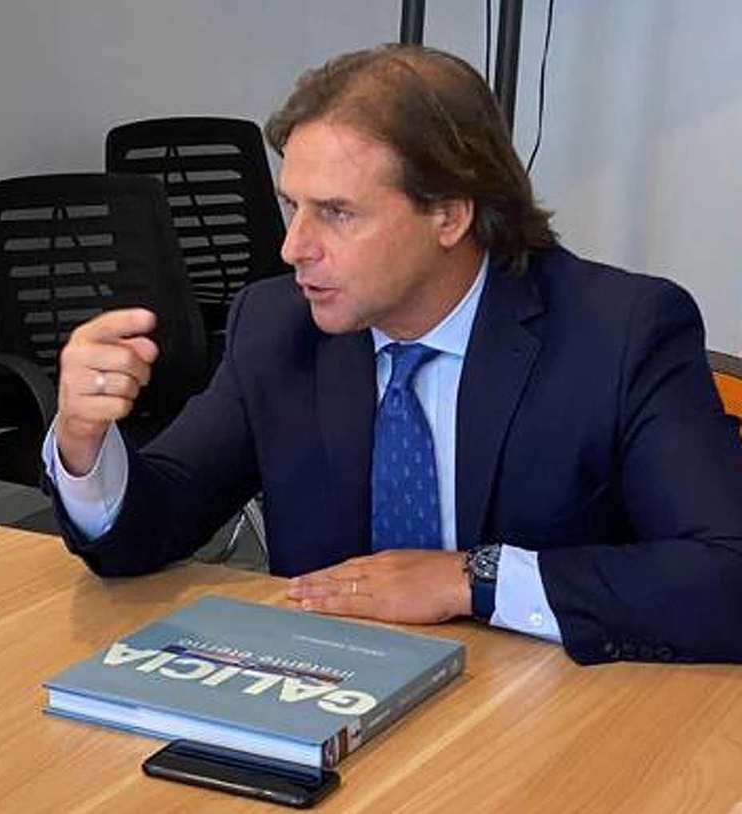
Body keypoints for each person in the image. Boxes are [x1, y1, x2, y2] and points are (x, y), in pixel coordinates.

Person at [45, 44, 742, 665]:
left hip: (548, 713)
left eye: (338, 213)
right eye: (294, 208)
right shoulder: (277, 325)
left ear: (449, 214)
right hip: (335, 700)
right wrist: (84, 443)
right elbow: (154, 526)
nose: (294, 249)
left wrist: (473, 579)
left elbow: (724, 575)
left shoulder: (620, 331)